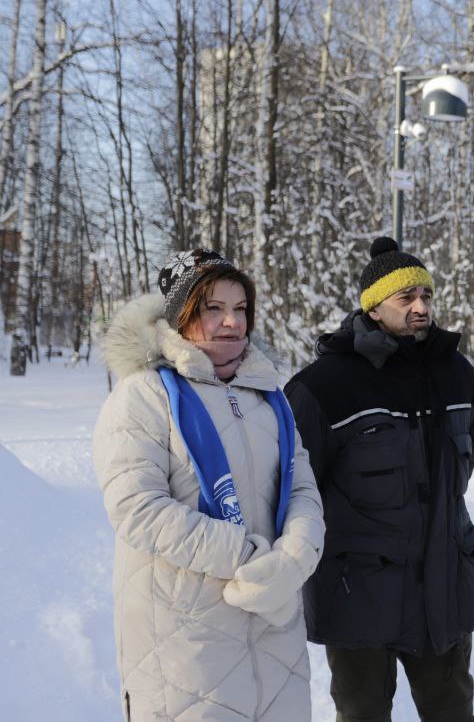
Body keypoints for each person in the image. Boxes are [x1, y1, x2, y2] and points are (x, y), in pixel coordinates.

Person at [93, 249, 325, 720]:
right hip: (186, 641)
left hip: (275, 631)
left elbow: (302, 488)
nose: (231, 322)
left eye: (240, 308)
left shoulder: (268, 396)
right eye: (212, 308)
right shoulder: (144, 394)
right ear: (180, 315)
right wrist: (247, 557)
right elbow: (137, 508)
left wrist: (294, 557)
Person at [286, 237, 474, 722]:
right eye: (407, 297)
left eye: (426, 295)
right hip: (359, 596)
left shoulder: (457, 375)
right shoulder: (325, 386)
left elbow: (465, 463)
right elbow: (295, 488)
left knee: (453, 714)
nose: (421, 306)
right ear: (374, 307)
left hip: (443, 587)